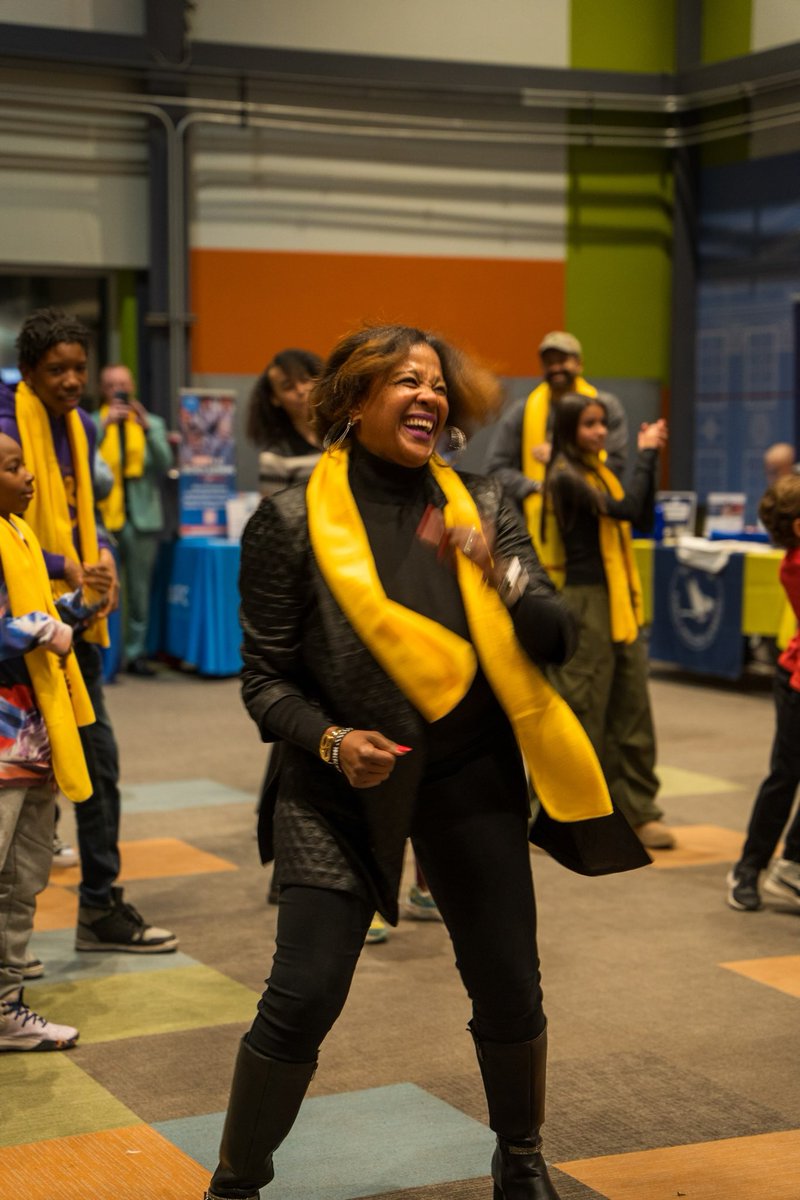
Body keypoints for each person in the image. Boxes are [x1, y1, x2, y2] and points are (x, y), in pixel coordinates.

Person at [205, 324, 647, 1200]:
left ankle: (519, 1159)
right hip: (336, 784)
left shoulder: (483, 500)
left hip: (470, 774)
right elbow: (264, 679)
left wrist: (496, 567)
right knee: (304, 994)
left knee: (509, 983)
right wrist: (331, 740)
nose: (428, 396)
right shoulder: (289, 519)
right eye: (404, 380)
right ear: (353, 399)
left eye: (436, 384)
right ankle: (234, 1184)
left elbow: (556, 636)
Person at [0, 308, 177, 956]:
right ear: (28, 372)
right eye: (58, 370)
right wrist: (54, 565)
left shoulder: (84, 426)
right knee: (18, 798)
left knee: (98, 767)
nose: (73, 381)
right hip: (14, 636)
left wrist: (97, 554)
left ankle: (99, 907)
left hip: (76, 626)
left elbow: (84, 511)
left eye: (80, 368)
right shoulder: (4, 418)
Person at [542, 393, 674, 851]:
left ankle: (638, 808)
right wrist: (648, 454)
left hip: (621, 603)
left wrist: (648, 463)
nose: (599, 432)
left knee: (632, 705)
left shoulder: (600, 472)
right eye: (589, 425)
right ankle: (570, 815)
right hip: (586, 604)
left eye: (601, 424)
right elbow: (626, 509)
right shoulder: (564, 477)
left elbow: (639, 512)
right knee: (583, 711)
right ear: (568, 430)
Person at [0, 432, 95, 1050]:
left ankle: (5, 1006)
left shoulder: (21, 536)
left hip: (34, 739)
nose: (30, 475)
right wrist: (39, 629)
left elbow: (31, 611)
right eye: (13, 467)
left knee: (23, 880)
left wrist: (77, 608)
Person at [486, 330, 629, 585]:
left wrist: (558, 459)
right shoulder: (523, 411)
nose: (556, 367)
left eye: (563, 360)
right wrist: (536, 487)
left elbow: (616, 464)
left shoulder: (606, 407)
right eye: (549, 361)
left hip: (593, 538)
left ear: (579, 363)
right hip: (536, 537)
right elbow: (497, 467)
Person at [727, 474, 800, 912]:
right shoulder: (793, 565)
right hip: (795, 685)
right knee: (785, 778)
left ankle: (790, 864)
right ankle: (746, 869)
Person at [95, 364, 172, 676]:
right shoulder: (89, 422)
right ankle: (105, 657)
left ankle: (136, 653)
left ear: (133, 386)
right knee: (103, 588)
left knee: (139, 592)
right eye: (111, 384)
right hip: (104, 518)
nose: (118, 389)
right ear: (102, 389)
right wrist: (102, 427)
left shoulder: (152, 423)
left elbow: (165, 463)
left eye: (123, 383)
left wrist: (147, 430)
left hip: (142, 519)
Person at [246, 348, 323, 496]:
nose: (300, 390)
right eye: (288, 387)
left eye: (305, 380)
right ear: (275, 399)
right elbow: (274, 516)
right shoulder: (275, 458)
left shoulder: (344, 436)